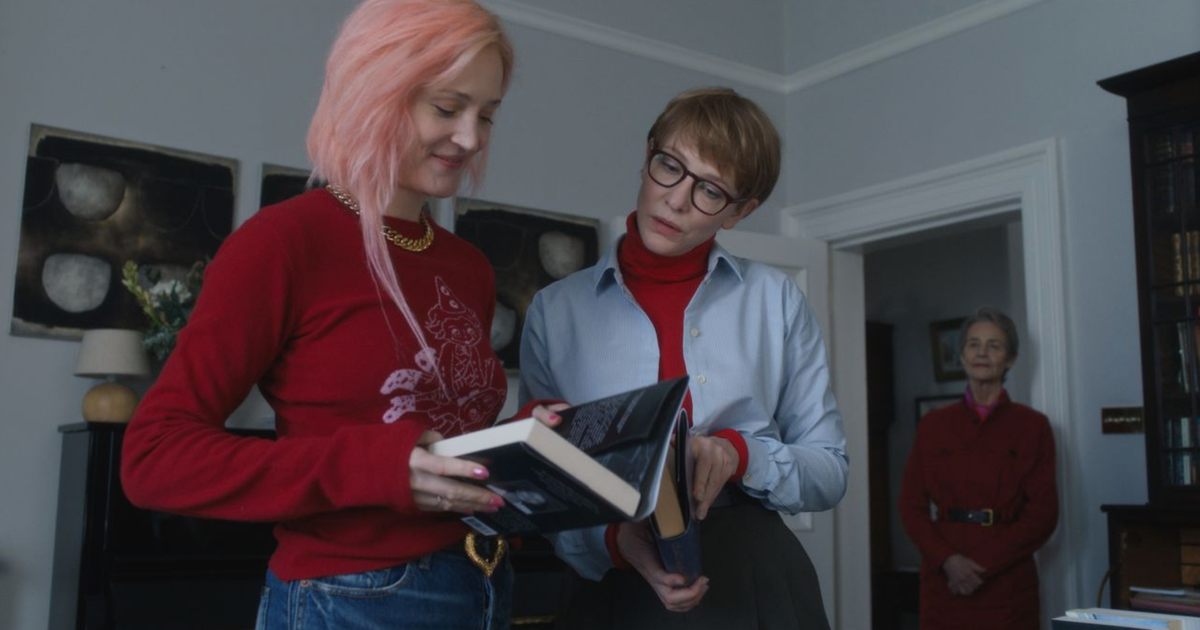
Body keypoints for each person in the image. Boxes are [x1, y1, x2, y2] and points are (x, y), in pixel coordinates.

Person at [120, 2, 559, 628]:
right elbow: (154, 458)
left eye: (486, 114)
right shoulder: (283, 244)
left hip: (483, 583)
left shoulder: (468, 267)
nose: (471, 138)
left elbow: (435, 441)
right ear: (376, 92)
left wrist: (526, 437)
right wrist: (373, 468)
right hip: (349, 598)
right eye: (446, 108)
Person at [519, 87, 849, 628]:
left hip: (754, 575)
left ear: (741, 211)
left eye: (711, 190)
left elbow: (829, 471)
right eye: (670, 166)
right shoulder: (555, 311)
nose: (676, 200)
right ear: (648, 155)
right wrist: (613, 542)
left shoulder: (777, 301)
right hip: (611, 583)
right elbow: (545, 483)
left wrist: (741, 455)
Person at [899, 307, 1058, 629]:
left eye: (993, 345)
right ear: (962, 356)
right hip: (944, 581)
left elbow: (1042, 515)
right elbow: (910, 505)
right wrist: (948, 560)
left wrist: (982, 565)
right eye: (974, 344)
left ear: (1010, 359)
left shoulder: (1033, 426)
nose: (982, 353)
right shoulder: (933, 425)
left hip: (1007, 584)